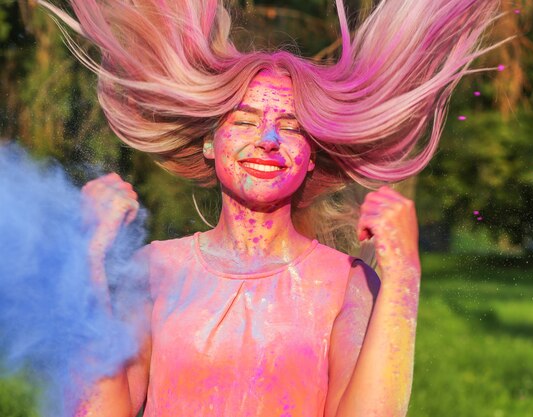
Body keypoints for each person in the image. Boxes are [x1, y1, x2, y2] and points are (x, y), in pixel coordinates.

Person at [39, 0, 500, 416]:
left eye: (291, 126)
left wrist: (404, 276)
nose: (268, 140)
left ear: (312, 153)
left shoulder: (347, 284)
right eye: (243, 120)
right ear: (208, 141)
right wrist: (88, 261)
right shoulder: (155, 269)